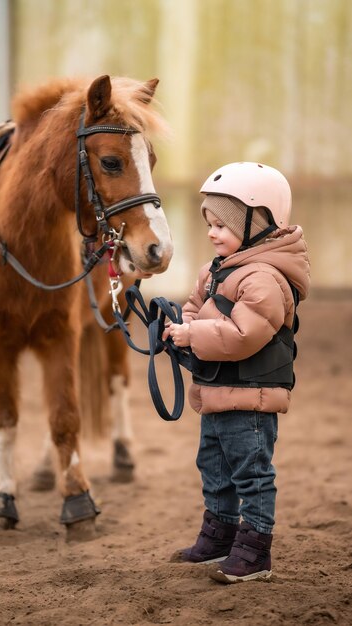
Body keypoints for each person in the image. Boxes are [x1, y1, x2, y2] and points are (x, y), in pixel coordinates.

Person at [163, 162, 310, 583]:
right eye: (209, 223)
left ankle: (255, 549)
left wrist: (193, 334)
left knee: (251, 471)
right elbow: (195, 309)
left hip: (250, 397)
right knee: (214, 466)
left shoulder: (263, 279)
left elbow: (245, 334)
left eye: (223, 225)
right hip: (217, 392)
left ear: (258, 223)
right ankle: (221, 534)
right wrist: (179, 329)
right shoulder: (216, 270)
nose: (212, 233)